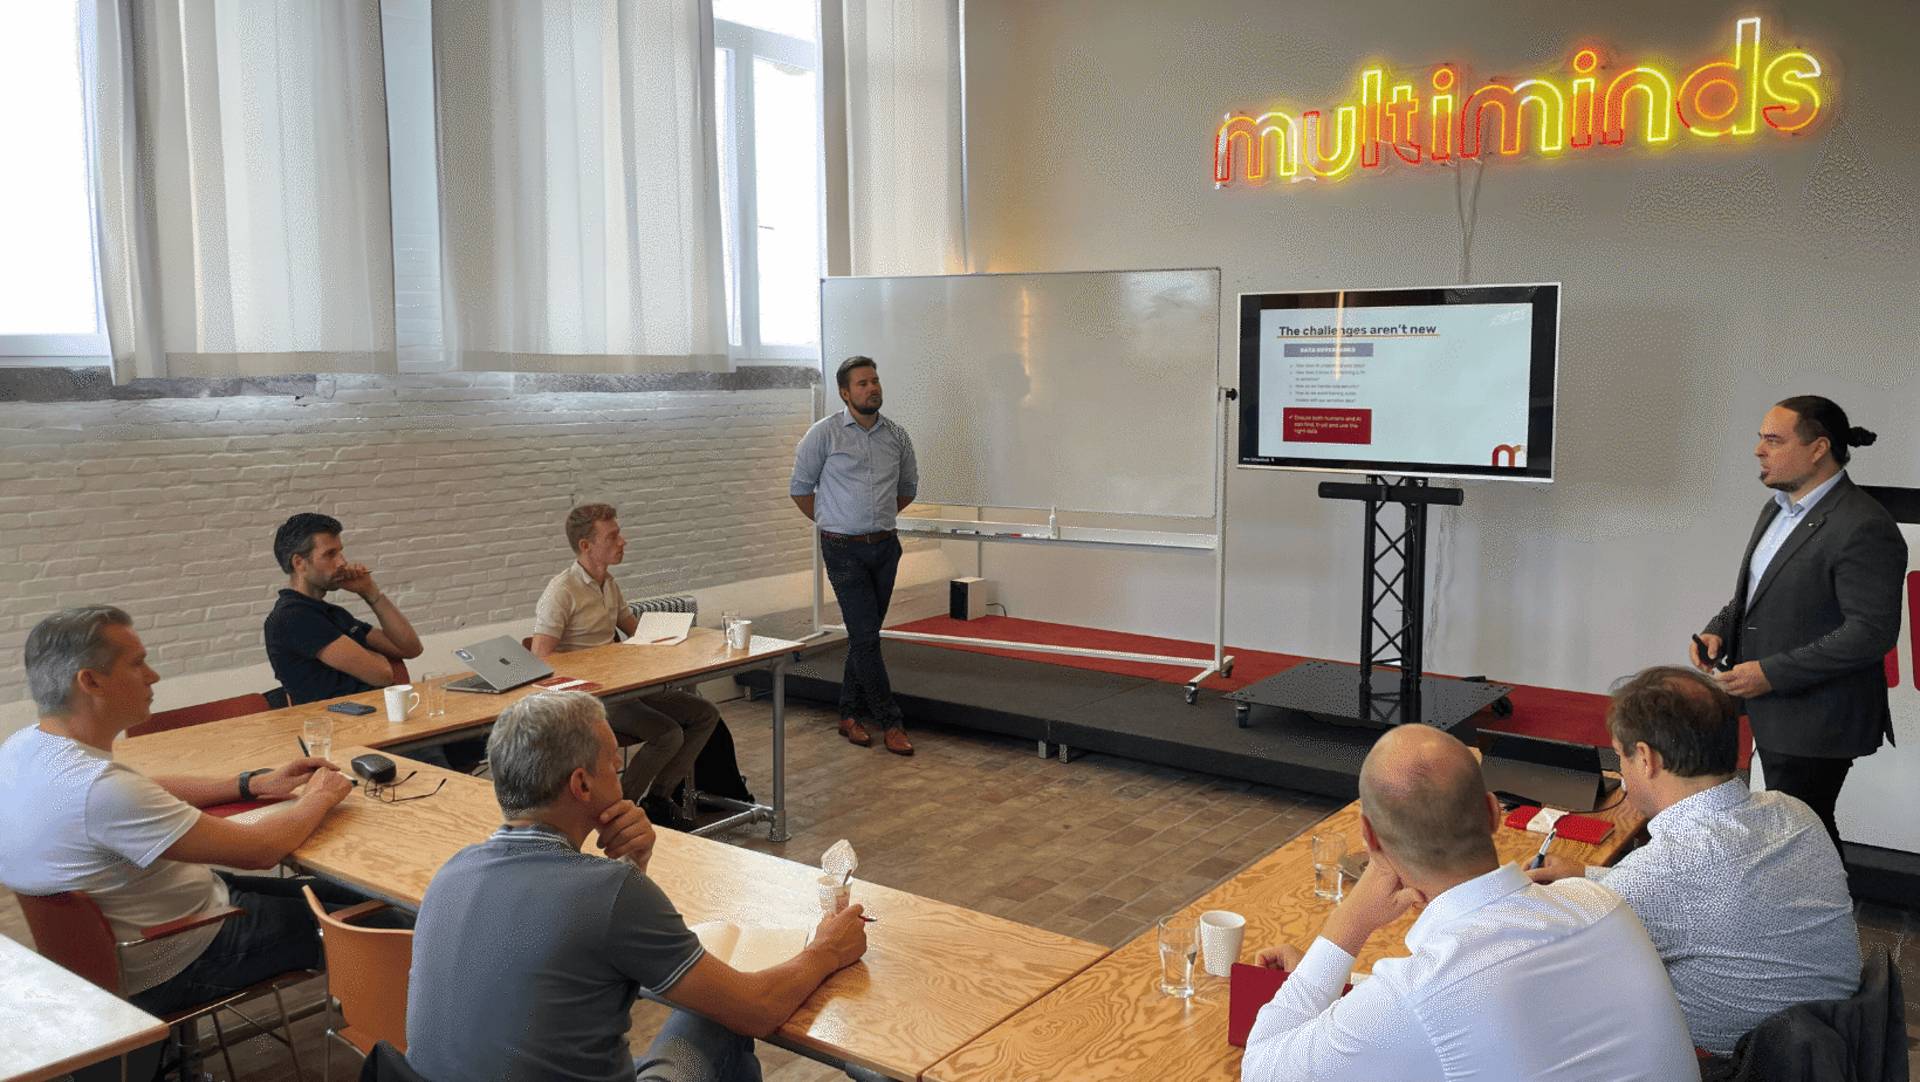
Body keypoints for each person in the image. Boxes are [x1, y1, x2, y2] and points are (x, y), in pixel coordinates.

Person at [405, 690, 868, 1082]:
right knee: (720, 1020)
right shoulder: (609, 892)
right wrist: (826, 950)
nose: (624, 783)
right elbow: (756, 1008)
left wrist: (632, 864)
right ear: (582, 784)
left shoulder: (452, 872)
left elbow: (584, 948)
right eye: (613, 766)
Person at [1242, 724, 1696, 1082]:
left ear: (1370, 838)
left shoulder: (1417, 996)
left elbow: (1260, 1067)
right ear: (1494, 813)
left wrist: (1349, 923)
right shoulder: (1598, 901)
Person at [0, 605, 372, 1017]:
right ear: (91, 682)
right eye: (137, 663)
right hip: (178, 954)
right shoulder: (100, 791)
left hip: (139, 936)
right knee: (379, 917)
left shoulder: (23, 748)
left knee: (356, 893)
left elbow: (141, 792)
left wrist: (250, 783)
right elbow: (261, 851)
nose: (153, 675)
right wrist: (321, 795)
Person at [1527, 666, 1858, 1056]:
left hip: (1729, 1064)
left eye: (1620, 756)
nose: (1622, 772)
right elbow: (1691, 895)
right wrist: (1589, 876)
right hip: (1834, 1046)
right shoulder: (1794, 813)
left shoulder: (1660, 873)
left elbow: (1554, 959)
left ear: (1646, 759)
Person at [1692, 395, 1906, 850]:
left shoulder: (1864, 525)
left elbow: (1871, 633)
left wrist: (1770, 673)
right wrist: (1718, 628)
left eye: (1773, 439)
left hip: (1818, 720)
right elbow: (1758, 593)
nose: (1758, 450)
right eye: (1760, 439)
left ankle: (1820, 918)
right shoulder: (1778, 507)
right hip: (1776, 711)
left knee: (1801, 841)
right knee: (1794, 839)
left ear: (1818, 448)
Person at [530, 503, 720, 828]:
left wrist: (677, 640)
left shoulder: (609, 585)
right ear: (586, 546)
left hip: (623, 689)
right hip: (590, 700)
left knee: (705, 714)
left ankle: (658, 799)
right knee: (669, 734)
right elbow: (540, 658)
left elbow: (637, 632)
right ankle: (617, 809)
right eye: (613, 536)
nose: (623, 541)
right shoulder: (561, 591)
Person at [790, 355, 919, 755]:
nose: (872, 388)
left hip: (884, 547)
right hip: (842, 548)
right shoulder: (823, 435)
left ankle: (848, 713)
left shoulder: (896, 435)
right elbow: (800, 490)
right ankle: (891, 722)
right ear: (845, 393)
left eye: (875, 380)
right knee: (866, 637)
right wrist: (836, 523)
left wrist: (874, 521)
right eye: (862, 383)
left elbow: (908, 488)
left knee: (865, 638)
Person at [264, 511, 424, 705]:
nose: (342, 562)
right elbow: (382, 674)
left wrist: (372, 594)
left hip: (373, 721)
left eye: (340, 551)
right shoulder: (292, 616)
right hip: (338, 730)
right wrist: (379, 658)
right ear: (299, 563)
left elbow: (410, 648)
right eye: (330, 554)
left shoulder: (333, 613)